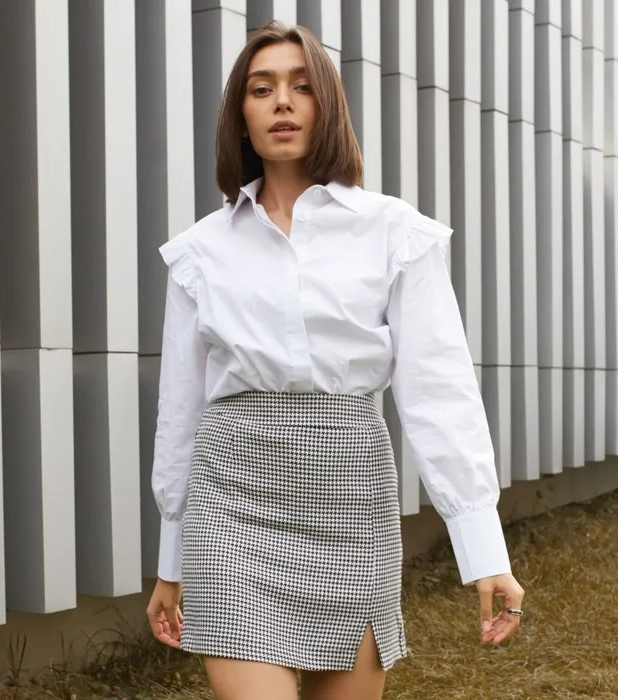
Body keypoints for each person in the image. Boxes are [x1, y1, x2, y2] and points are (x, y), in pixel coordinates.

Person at [146, 20, 524, 700]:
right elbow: (181, 407)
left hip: (350, 502)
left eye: (301, 86)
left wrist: (482, 548)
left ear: (328, 105)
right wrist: (171, 556)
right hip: (231, 503)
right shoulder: (200, 252)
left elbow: (438, 389)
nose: (282, 102)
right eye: (261, 89)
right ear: (241, 115)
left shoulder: (393, 232)